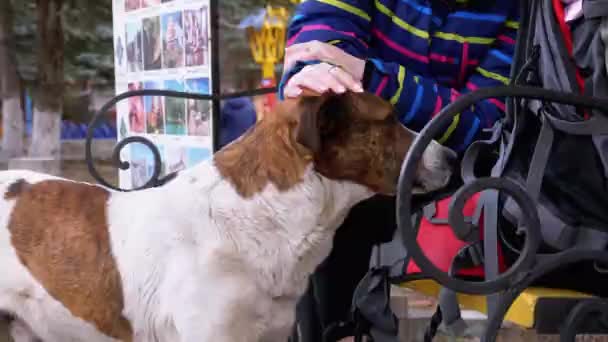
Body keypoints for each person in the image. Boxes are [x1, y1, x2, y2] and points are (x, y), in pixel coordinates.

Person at [279, 0, 519, 341]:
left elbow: (484, 123)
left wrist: (374, 79)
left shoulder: (516, 10)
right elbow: (318, 62)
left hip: (450, 189)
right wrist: (325, 76)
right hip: (353, 189)